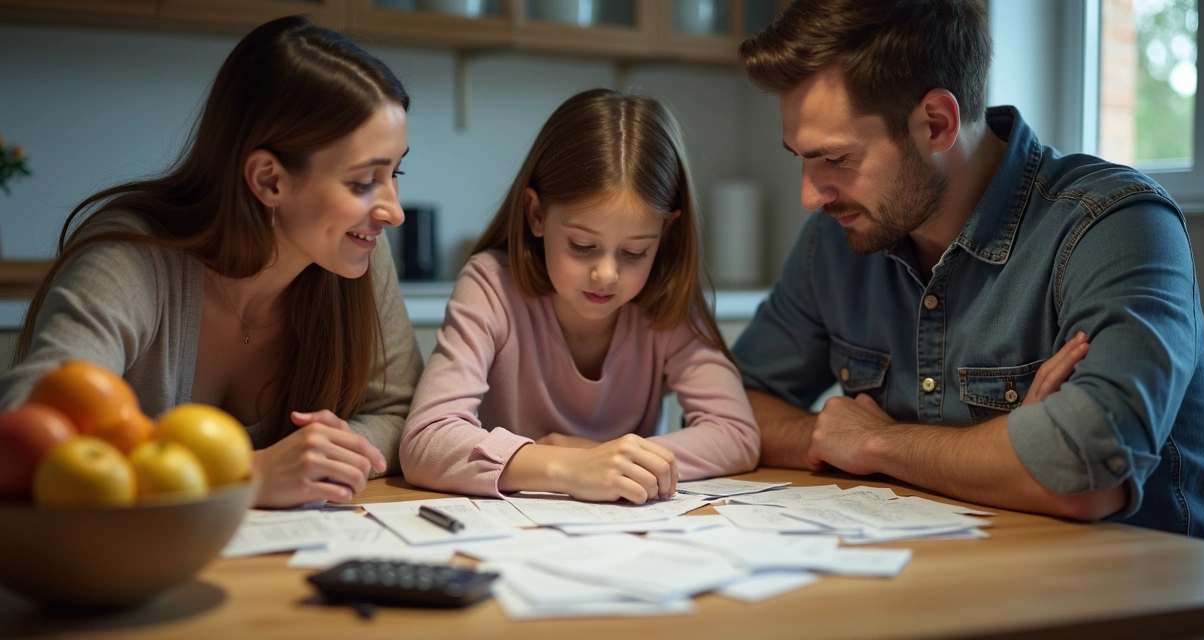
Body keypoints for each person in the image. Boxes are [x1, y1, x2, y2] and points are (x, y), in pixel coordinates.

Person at [732, 0, 1204, 538]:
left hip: (1138, 602)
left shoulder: (1115, 226)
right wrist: (1008, 447)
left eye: (838, 159)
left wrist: (879, 442)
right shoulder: (838, 239)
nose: (807, 195)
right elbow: (728, 407)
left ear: (936, 123)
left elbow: (1086, 476)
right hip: (950, 578)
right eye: (800, 156)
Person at [0, 15, 423, 508]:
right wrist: (241, 471)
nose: (393, 211)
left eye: (396, 172)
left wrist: (343, 446)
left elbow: (402, 410)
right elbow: (31, 424)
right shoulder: (130, 258)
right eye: (363, 182)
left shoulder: (357, 251)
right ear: (268, 180)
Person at [401, 89, 760, 504]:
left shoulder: (667, 299)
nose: (606, 274)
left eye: (634, 252)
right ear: (536, 215)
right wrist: (567, 467)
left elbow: (736, 433)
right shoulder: (491, 285)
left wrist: (602, 458)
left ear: (666, 233)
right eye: (582, 245)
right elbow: (427, 439)